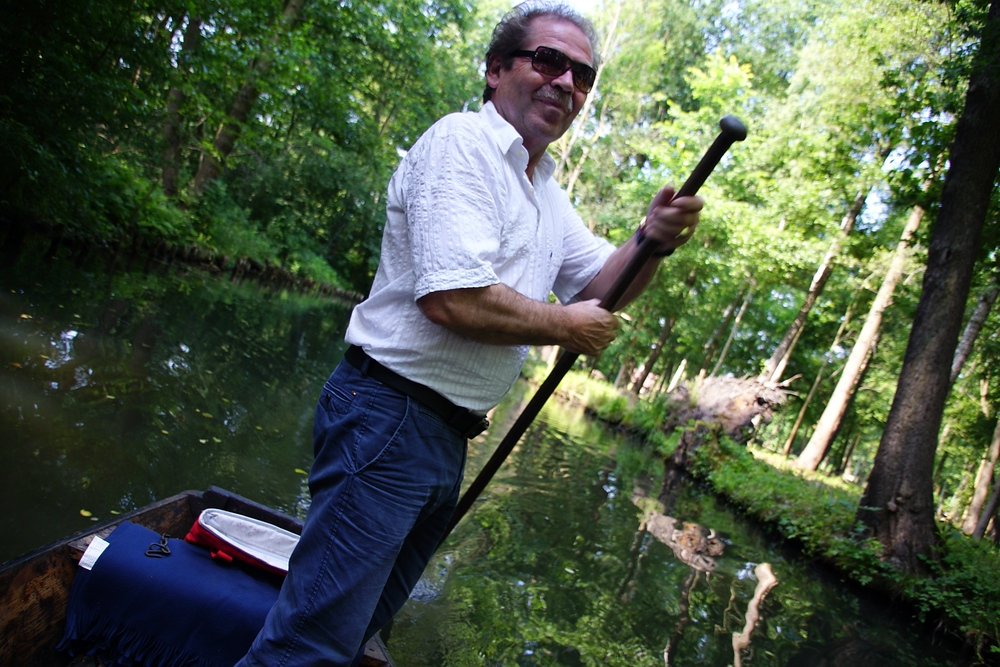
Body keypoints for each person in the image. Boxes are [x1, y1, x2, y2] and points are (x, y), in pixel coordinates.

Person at [237, 2, 702, 664]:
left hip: (441, 436)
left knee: (361, 632)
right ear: (494, 70)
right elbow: (452, 299)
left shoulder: (544, 187)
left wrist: (651, 241)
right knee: (309, 644)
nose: (566, 82)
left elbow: (603, 286)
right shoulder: (464, 144)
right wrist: (565, 325)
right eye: (547, 60)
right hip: (388, 418)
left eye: (582, 75)